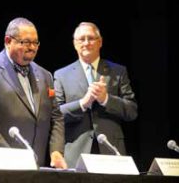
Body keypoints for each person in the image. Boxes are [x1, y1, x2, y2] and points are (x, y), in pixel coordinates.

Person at [0, 17, 67, 169]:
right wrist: (10, 156)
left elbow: (56, 117)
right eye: (26, 42)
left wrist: (56, 151)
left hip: (36, 166)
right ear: (8, 41)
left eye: (35, 43)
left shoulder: (45, 75)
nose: (32, 47)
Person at [54, 22, 137, 168]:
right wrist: (83, 103)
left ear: (100, 42)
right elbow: (56, 115)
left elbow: (132, 111)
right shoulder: (61, 75)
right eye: (81, 39)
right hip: (76, 152)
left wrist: (106, 99)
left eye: (91, 38)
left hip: (110, 150)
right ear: (75, 44)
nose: (86, 43)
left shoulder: (118, 71)